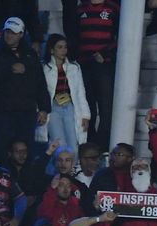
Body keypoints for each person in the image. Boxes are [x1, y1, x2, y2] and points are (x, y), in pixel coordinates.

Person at [67, 0, 118, 149]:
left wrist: (105, 54)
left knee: (105, 108)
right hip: (84, 65)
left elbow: (122, 35)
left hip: (104, 65)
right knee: (88, 108)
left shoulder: (113, 8)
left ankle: (103, 146)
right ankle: (90, 143)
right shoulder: (80, 9)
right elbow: (74, 36)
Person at [0, 18, 49, 155]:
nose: (9, 35)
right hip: (3, 112)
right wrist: (9, 69)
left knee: (26, 150)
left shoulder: (30, 54)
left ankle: (25, 176)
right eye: (7, 31)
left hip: (26, 112)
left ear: (21, 34)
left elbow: (40, 82)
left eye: (13, 32)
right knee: (3, 149)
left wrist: (44, 108)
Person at [41, 35, 90, 155]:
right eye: (60, 47)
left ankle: (72, 172)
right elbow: (40, 92)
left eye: (65, 47)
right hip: (52, 108)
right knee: (59, 143)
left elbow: (80, 92)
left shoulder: (74, 67)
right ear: (52, 50)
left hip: (70, 106)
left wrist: (85, 115)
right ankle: (59, 172)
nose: (63, 50)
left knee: (73, 143)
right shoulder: (44, 68)